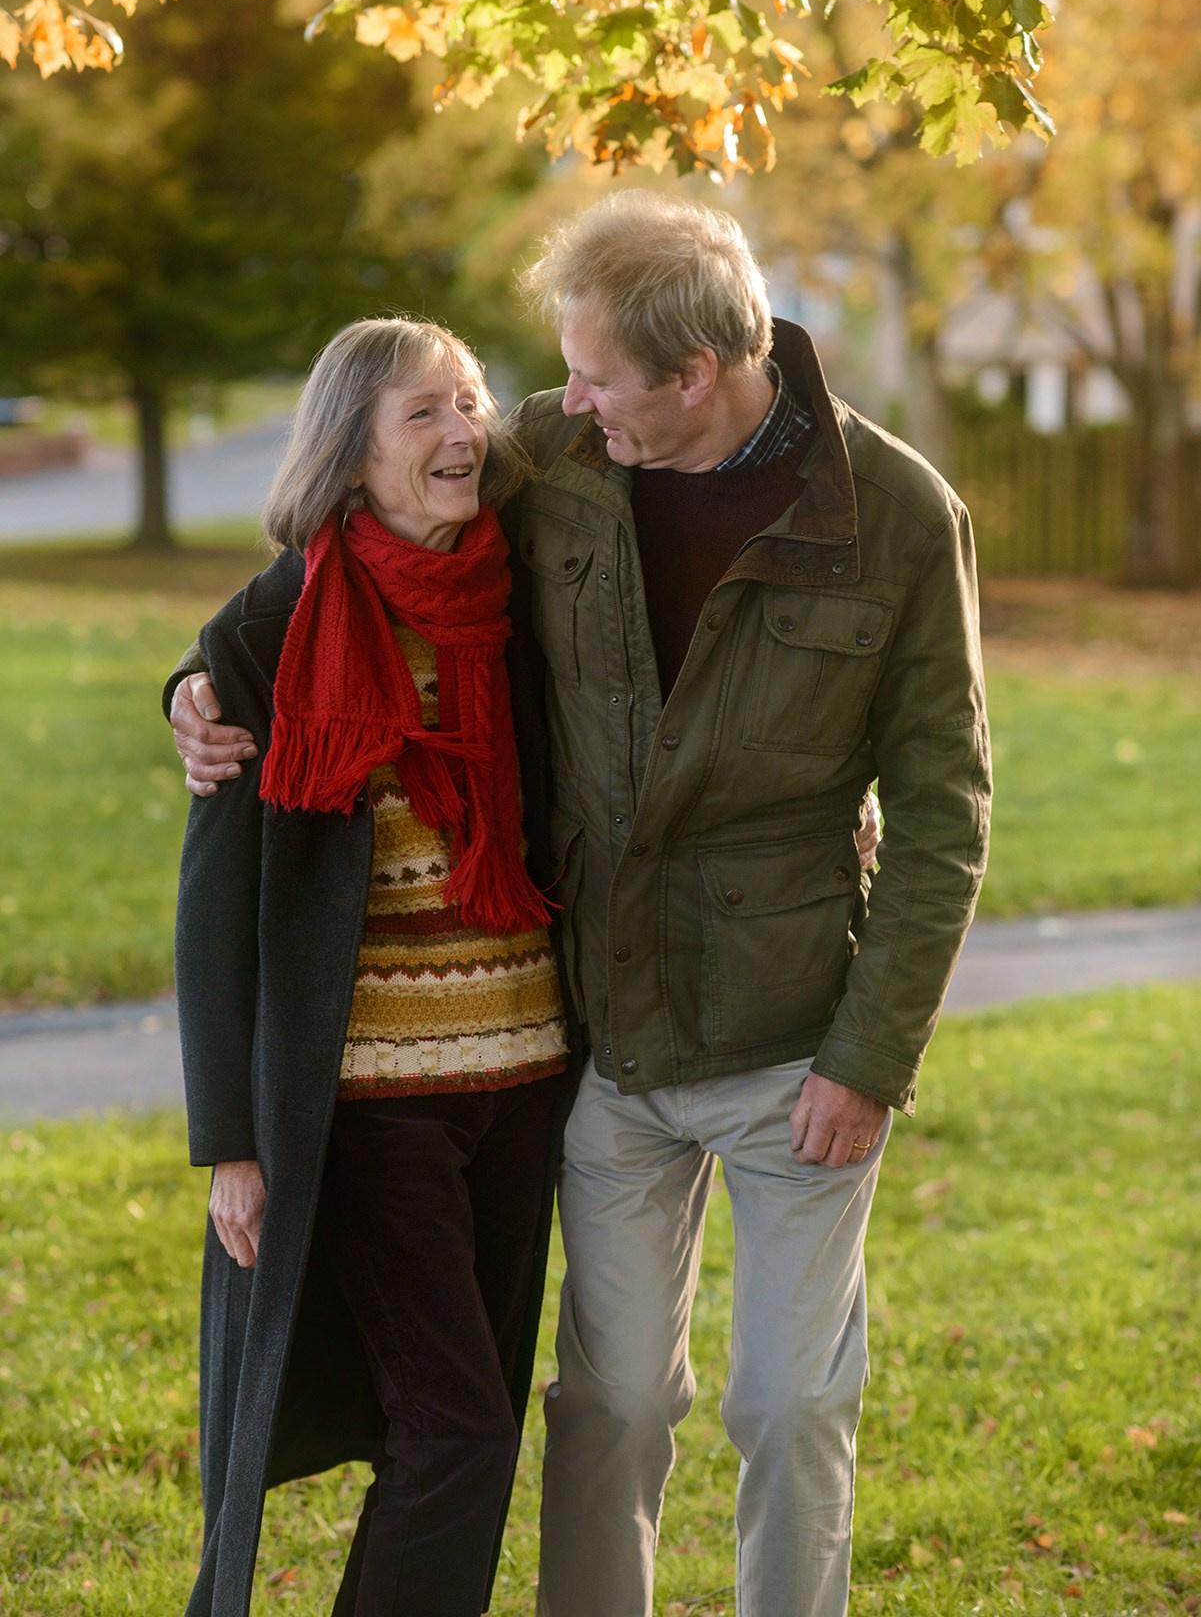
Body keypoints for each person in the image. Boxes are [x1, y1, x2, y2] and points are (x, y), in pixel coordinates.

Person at [171, 192, 990, 1617]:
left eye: (595, 376)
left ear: (694, 374)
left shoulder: (899, 516)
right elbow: (338, 552)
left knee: (790, 1404)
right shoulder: (558, 455)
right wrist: (193, 685)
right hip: (603, 1039)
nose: (554, 403)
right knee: (607, 1403)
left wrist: (869, 1057)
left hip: (795, 1038)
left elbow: (945, 810)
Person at [170, 316, 575, 1617]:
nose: (465, 433)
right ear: (350, 453)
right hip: (369, 1105)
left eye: (471, 403)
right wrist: (232, 1142)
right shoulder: (276, 625)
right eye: (424, 413)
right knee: (459, 1433)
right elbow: (215, 905)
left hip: (525, 1079)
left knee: (462, 1426)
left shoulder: (521, 591)